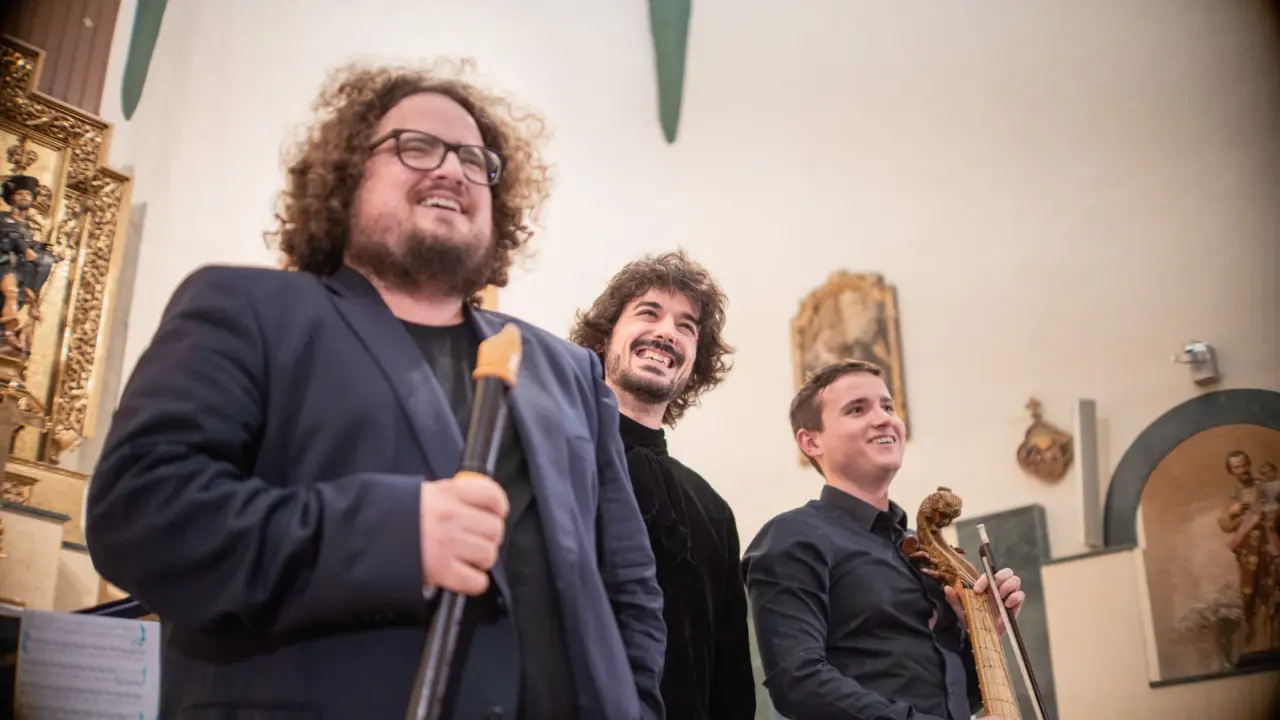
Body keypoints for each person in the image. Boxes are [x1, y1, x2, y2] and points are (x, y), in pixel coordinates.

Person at [85, 62, 665, 720]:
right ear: (344, 178)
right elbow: (140, 514)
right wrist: (392, 537)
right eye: (416, 146)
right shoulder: (247, 309)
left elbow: (630, 586)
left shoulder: (570, 371)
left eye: (474, 160)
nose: (452, 170)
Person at [742, 359, 1026, 720]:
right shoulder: (793, 537)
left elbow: (950, 700)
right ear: (810, 441)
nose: (883, 419)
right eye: (857, 409)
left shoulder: (919, 549)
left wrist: (984, 636)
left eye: (888, 407)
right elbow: (798, 681)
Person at [569, 251, 756, 720]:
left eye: (686, 326)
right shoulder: (556, 463)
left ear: (694, 365)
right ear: (603, 338)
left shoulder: (713, 510)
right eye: (649, 313)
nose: (668, 332)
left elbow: (730, 677)